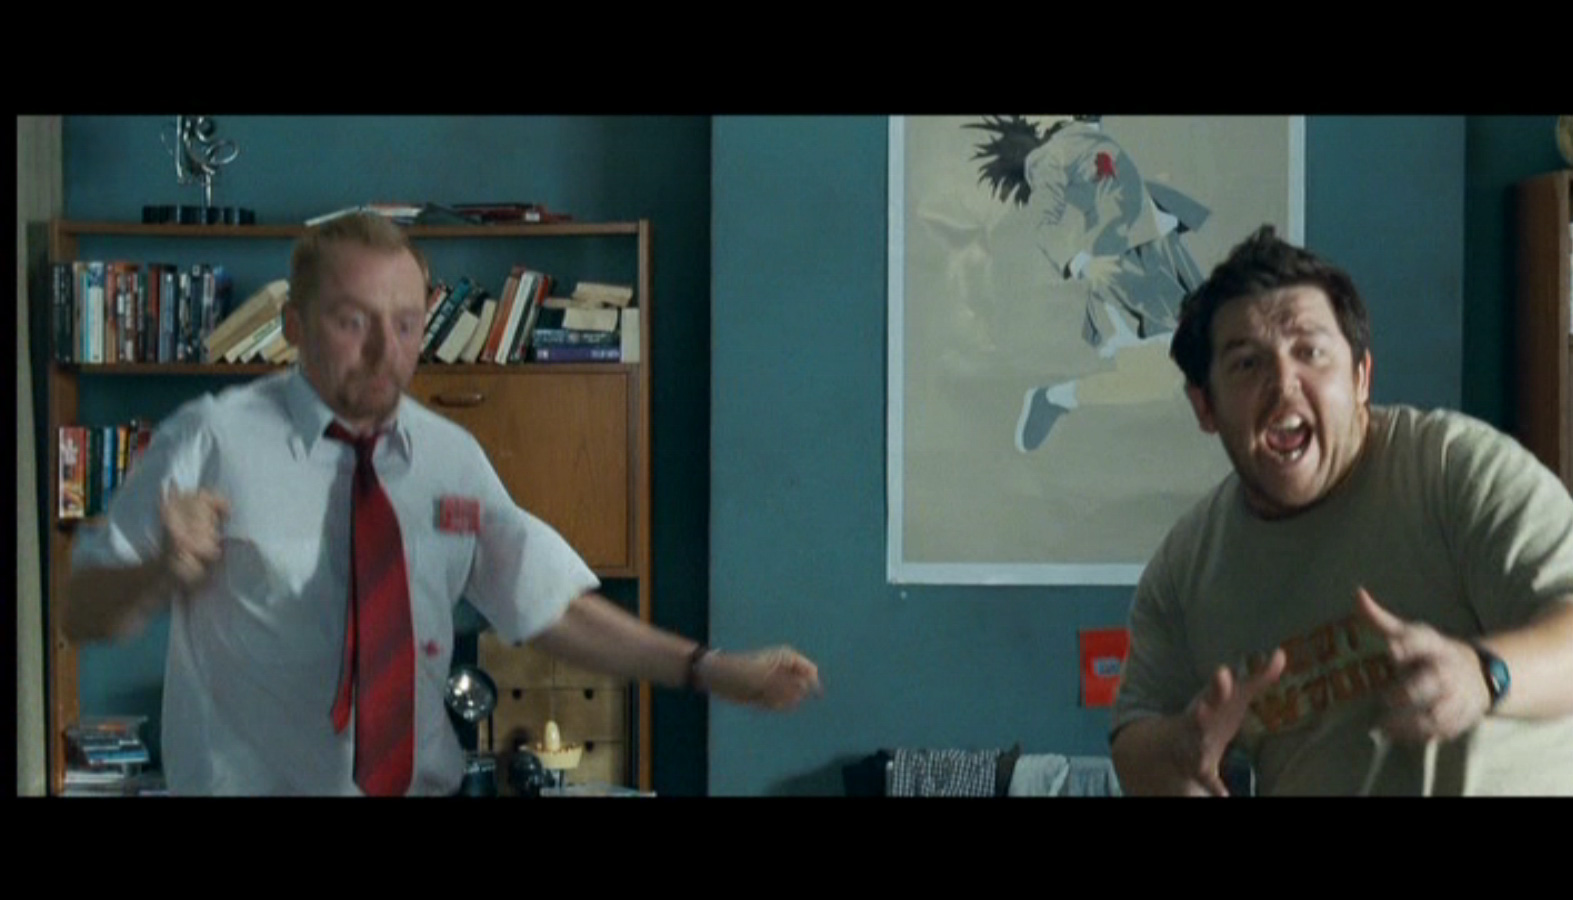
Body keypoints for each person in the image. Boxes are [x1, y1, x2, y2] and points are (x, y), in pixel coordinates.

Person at [63, 212, 821, 796]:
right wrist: (157, 570)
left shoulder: (449, 459)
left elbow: (548, 605)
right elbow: (80, 614)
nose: (383, 351)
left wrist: (711, 670)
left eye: (404, 324)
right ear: (294, 325)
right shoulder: (212, 437)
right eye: (352, 320)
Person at [1109, 225, 1573, 796]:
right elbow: (1133, 741)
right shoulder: (1185, 570)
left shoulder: (1455, 469)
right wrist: (1182, 746)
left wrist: (1483, 675)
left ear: (1360, 378)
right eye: (1247, 364)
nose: (1284, 385)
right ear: (1205, 406)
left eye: (1310, 352)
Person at [963, 115, 1211, 452]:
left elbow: (1122, 190)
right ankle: (1055, 398)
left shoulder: (1091, 137)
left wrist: (1164, 213)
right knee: (1165, 372)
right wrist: (1081, 263)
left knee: (1190, 356)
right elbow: (1044, 223)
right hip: (1125, 272)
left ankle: (1057, 398)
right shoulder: (1050, 157)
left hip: (1157, 257)